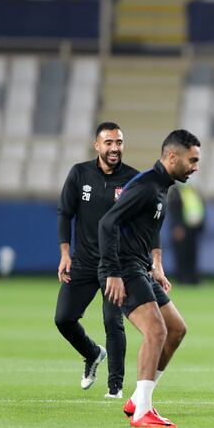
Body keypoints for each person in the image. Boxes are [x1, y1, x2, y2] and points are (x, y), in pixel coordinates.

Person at [98, 129, 201, 428]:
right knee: (156, 332)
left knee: (176, 329)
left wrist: (157, 264)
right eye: (192, 160)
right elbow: (107, 223)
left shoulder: (162, 186)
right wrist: (113, 272)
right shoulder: (145, 186)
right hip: (122, 268)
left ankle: (137, 398)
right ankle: (142, 411)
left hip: (139, 267)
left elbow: (150, 228)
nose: (195, 167)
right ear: (172, 157)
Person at [55, 122, 138, 399]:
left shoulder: (133, 180)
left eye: (119, 142)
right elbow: (65, 214)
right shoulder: (79, 173)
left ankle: (115, 387)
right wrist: (65, 254)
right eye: (109, 143)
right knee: (63, 319)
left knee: (113, 321)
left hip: (116, 265)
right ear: (97, 146)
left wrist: (153, 261)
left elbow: (147, 224)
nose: (115, 148)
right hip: (83, 261)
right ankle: (92, 354)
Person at [167, 180, 205, 285]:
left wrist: (201, 226)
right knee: (182, 255)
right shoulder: (176, 191)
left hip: (193, 229)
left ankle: (193, 279)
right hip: (181, 229)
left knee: (192, 255)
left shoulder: (193, 191)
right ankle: (182, 279)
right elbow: (174, 210)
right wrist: (176, 227)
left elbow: (199, 208)